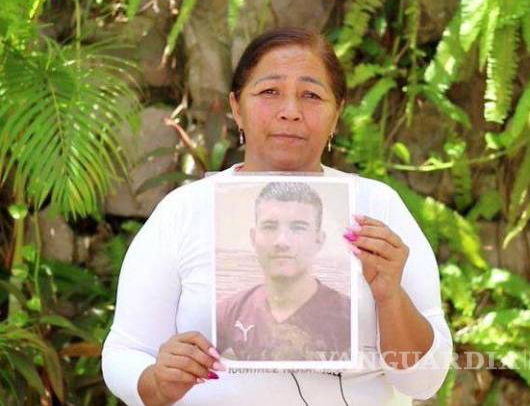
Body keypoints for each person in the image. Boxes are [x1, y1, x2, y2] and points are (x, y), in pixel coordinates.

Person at [102, 27, 453, 406]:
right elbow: (125, 351)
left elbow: (424, 381)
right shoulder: (185, 211)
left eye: (311, 95)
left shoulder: (376, 207)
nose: (290, 111)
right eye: (269, 92)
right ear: (237, 107)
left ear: (337, 114)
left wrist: (390, 296)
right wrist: (155, 382)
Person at [217, 181, 351, 362]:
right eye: (269, 227)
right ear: (253, 238)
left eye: (298, 228)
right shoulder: (227, 314)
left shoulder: (348, 316)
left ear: (319, 240)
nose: (282, 241)